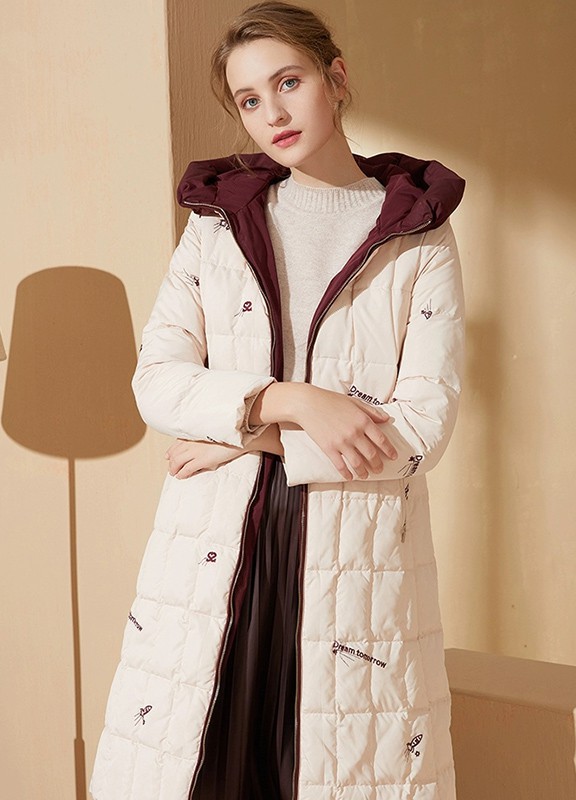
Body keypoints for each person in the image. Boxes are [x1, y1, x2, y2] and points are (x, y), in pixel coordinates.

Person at [89, 2, 466, 799]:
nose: (273, 113)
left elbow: (421, 428)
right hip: (214, 551)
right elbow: (157, 380)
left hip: (353, 557)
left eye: (288, 82)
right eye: (250, 99)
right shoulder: (218, 226)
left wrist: (250, 436)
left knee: (331, 770)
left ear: (336, 77)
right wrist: (291, 400)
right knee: (197, 768)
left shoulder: (417, 230)